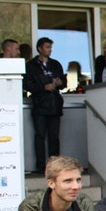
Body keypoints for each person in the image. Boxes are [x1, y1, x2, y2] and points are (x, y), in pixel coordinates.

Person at [23, 37, 65, 173]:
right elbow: (27, 84)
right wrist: (43, 87)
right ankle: (41, 165)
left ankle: (55, 165)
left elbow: (64, 82)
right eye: (47, 47)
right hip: (40, 104)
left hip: (55, 104)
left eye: (50, 47)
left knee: (54, 136)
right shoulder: (31, 65)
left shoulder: (56, 64)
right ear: (39, 48)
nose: (50, 50)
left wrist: (60, 83)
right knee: (40, 135)